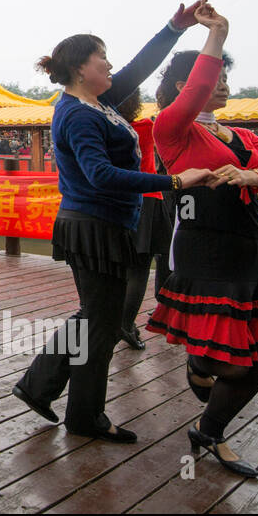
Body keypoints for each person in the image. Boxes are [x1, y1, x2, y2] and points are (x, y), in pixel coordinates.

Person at [12, 1, 214, 444]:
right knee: (101, 324)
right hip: (93, 226)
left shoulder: (96, 101)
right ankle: (85, 417)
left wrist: (174, 28)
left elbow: (141, 66)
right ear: (81, 69)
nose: (109, 64)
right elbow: (100, 174)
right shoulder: (80, 113)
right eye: (101, 58)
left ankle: (39, 385)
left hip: (101, 224)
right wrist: (174, 179)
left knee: (96, 317)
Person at [147, 6, 258, 478]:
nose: (225, 84)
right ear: (186, 88)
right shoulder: (172, 130)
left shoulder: (243, 136)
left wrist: (253, 173)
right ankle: (200, 368)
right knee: (233, 365)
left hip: (256, 254)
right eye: (217, 78)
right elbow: (197, 86)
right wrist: (218, 33)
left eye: (227, 77)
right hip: (207, 254)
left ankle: (209, 429)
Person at [114, 91, 173, 351]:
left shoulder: (106, 129)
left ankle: (121, 323)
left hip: (116, 201)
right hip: (147, 199)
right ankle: (125, 324)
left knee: (121, 270)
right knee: (139, 270)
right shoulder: (146, 127)